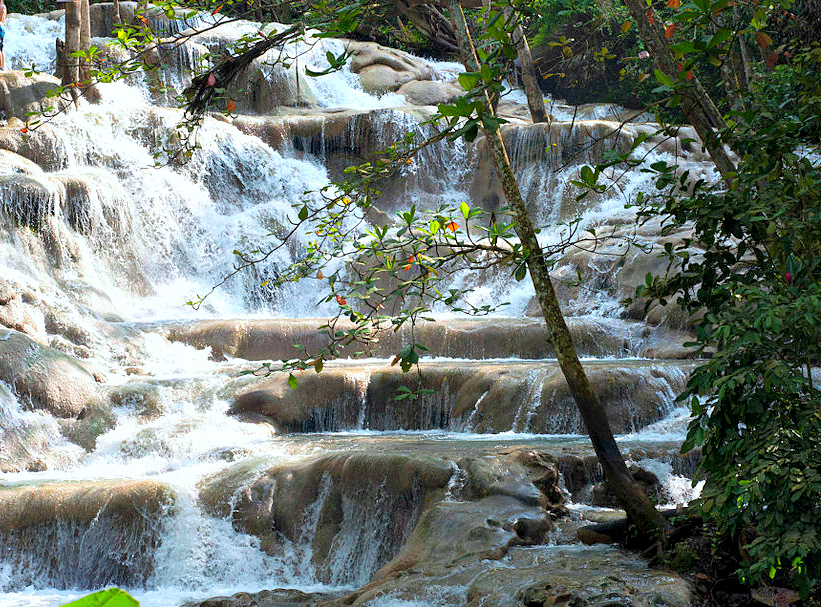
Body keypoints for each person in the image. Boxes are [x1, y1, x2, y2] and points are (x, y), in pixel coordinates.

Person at [0, 0, 6, 71]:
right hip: (2, 27)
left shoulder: (2, 7)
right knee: (1, 48)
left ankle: (1, 66)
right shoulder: (3, 6)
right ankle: (2, 66)